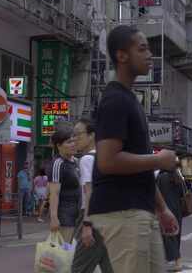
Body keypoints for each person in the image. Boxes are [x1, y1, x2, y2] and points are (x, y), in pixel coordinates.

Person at [88, 25, 179, 273]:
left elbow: (139, 168)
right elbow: (108, 161)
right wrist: (158, 160)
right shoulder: (115, 100)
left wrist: (162, 208)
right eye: (142, 49)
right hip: (122, 212)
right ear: (122, 55)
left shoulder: (130, 99)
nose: (149, 54)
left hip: (139, 210)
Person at [72, 117, 114, 273]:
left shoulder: (87, 159)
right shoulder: (106, 158)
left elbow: (90, 193)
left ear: (92, 136)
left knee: (79, 269)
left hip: (93, 218)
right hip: (110, 219)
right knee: (109, 267)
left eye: (78, 134)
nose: (74, 139)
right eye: (73, 135)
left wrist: (87, 225)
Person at [48, 125, 81, 243]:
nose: (73, 144)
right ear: (59, 146)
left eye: (74, 141)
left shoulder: (76, 161)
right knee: (65, 252)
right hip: (65, 215)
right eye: (68, 142)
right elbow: (54, 193)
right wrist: (54, 218)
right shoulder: (58, 164)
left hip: (79, 215)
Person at [157, 168, 185, 271]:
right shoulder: (178, 177)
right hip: (177, 209)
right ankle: (173, 260)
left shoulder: (161, 178)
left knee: (168, 236)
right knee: (176, 235)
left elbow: (156, 194)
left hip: (166, 209)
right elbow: (183, 194)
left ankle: (178, 261)